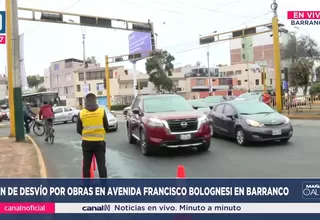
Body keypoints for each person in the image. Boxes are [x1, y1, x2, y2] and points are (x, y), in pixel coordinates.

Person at [77, 93, 109, 178]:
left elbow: (78, 130)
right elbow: (107, 127)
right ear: (95, 100)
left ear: (86, 101)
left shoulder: (81, 113)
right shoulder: (101, 111)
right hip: (99, 142)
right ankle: (104, 188)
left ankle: (87, 188)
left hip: (87, 143)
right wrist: (100, 134)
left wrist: (86, 134)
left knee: (86, 166)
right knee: (101, 165)